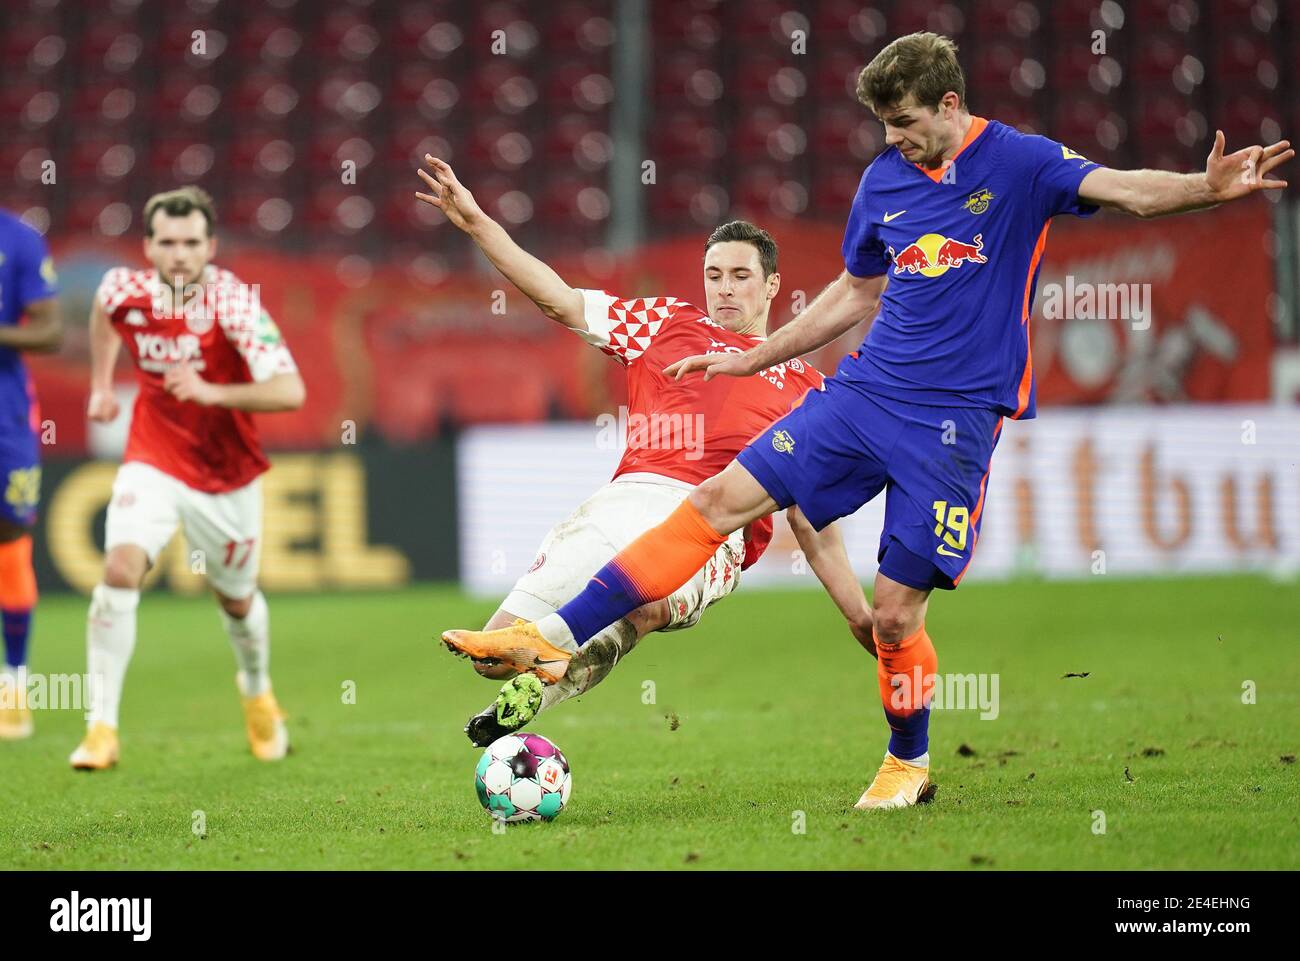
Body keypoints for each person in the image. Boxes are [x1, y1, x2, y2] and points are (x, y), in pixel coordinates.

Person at [442, 32, 1293, 809]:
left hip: (955, 420)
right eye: (884, 124)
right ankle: (550, 639)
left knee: (893, 617)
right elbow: (855, 289)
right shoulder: (883, 181)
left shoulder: (1024, 164)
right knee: (717, 503)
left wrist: (1204, 190)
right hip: (864, 392)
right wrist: (750, 354)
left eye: (906, 123)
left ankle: (908, 762)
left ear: (952, 106)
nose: (892, 139)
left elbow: (1127, 191)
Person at [415, 157, 873, 745]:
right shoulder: (664, 324)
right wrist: (478, 222)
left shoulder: (807, 389)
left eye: (740, 275)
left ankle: (553, 675)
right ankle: (544, 665)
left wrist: (858, 614)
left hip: (715, 527)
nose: (724, 287)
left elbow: (811, 520)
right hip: (627, 500)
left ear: (774, 284)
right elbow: (559, 299)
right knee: (492, 656)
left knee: (647, 604)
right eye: (713, 275)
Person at [71, 186, 306, 770]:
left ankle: (256, 690)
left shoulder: (234, 304)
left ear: (211, 246)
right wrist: (102, 385)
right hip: (152, 456)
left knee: (235, 599)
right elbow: (105, 316)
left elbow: (290, 390)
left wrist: (211, 392)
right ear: (148, 247)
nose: (179, 254)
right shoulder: (123, 289)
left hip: (225, 475)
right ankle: (101, 726)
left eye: (191, 243)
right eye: (168, 243)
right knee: (120, 567)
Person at [0, 209, 62, 740]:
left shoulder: (16, 238)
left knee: (10, 539)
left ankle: (14, 685)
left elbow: (49, 329)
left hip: (6, 412)